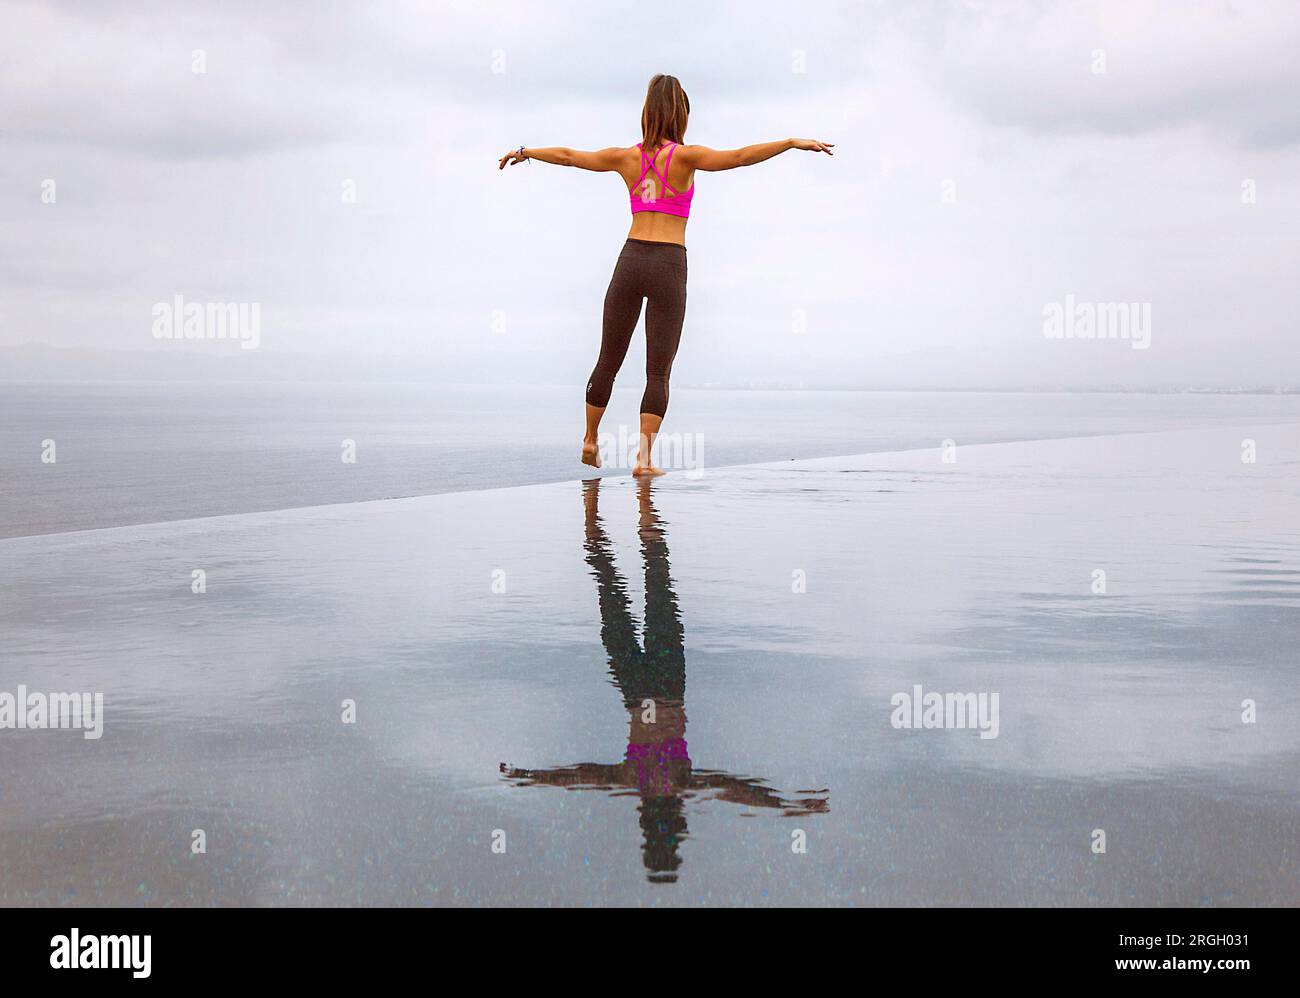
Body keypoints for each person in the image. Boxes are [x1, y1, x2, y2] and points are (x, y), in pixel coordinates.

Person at [499, 73, 833, 475]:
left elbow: (571, 156)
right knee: (657, 371)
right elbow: (741, 157)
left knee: (608, 358)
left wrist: (526, 151)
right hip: (669, 264)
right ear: (681, 115)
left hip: (631, 259)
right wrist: (791, 142)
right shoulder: (686, 158)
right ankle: (644, 460)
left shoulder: (625, 158)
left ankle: (589, 440)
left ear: (646, 113)